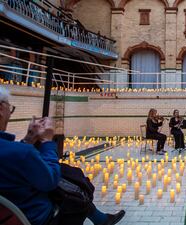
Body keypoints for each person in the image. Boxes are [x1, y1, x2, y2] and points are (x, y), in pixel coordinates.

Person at [0, 87, 125, 225]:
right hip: (38, 217)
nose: (10, 113)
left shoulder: (14, 150)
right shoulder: (20, 153)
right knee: (71, 189)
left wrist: (28, 140)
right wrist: (47, 142)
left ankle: (101, 219)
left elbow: (14, 159)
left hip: (9, 213)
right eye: (10, 108)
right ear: (0, 109)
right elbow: (50, 180)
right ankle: (100, 219)